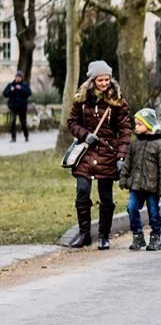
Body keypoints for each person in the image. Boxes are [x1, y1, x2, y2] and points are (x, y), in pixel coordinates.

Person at [67, 61, 132, 249]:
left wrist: (121, 156)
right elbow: (72, 121)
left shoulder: (117, 100)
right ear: (93, 79)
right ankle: (84, 234)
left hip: (108, 152)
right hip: (86, 151)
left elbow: (125, 129)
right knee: (82, 191)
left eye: (107, 79)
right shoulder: (81, 99)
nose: (105, 83)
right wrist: (85, 135)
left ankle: (104, 235)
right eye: (100, 79)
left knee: (106, 197)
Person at [120, 108, 161, 251]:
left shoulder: (160, 144)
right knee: (131, 208)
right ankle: (137, 235)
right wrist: (123, 178)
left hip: (152, 187)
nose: (136, 127)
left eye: (139, 124)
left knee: (153, 212)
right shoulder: (135, 143)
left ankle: (155, 236)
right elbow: (128, 163)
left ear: (148, 125)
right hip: (136, 185)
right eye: (135, 124)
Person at [4, 70, 31, 142]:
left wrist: (21, 89)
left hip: (22, 107)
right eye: (17, 76)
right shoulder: (10, 85)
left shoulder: (24, 85)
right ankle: (13, 138)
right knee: (13, 122)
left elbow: (29, 93)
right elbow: (5, 94)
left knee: (23, 123)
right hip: (13, 107)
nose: (18, 78)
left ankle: (26, 136)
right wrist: (11, 90)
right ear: (15, 77)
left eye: (19, 77)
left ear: (21, 78)